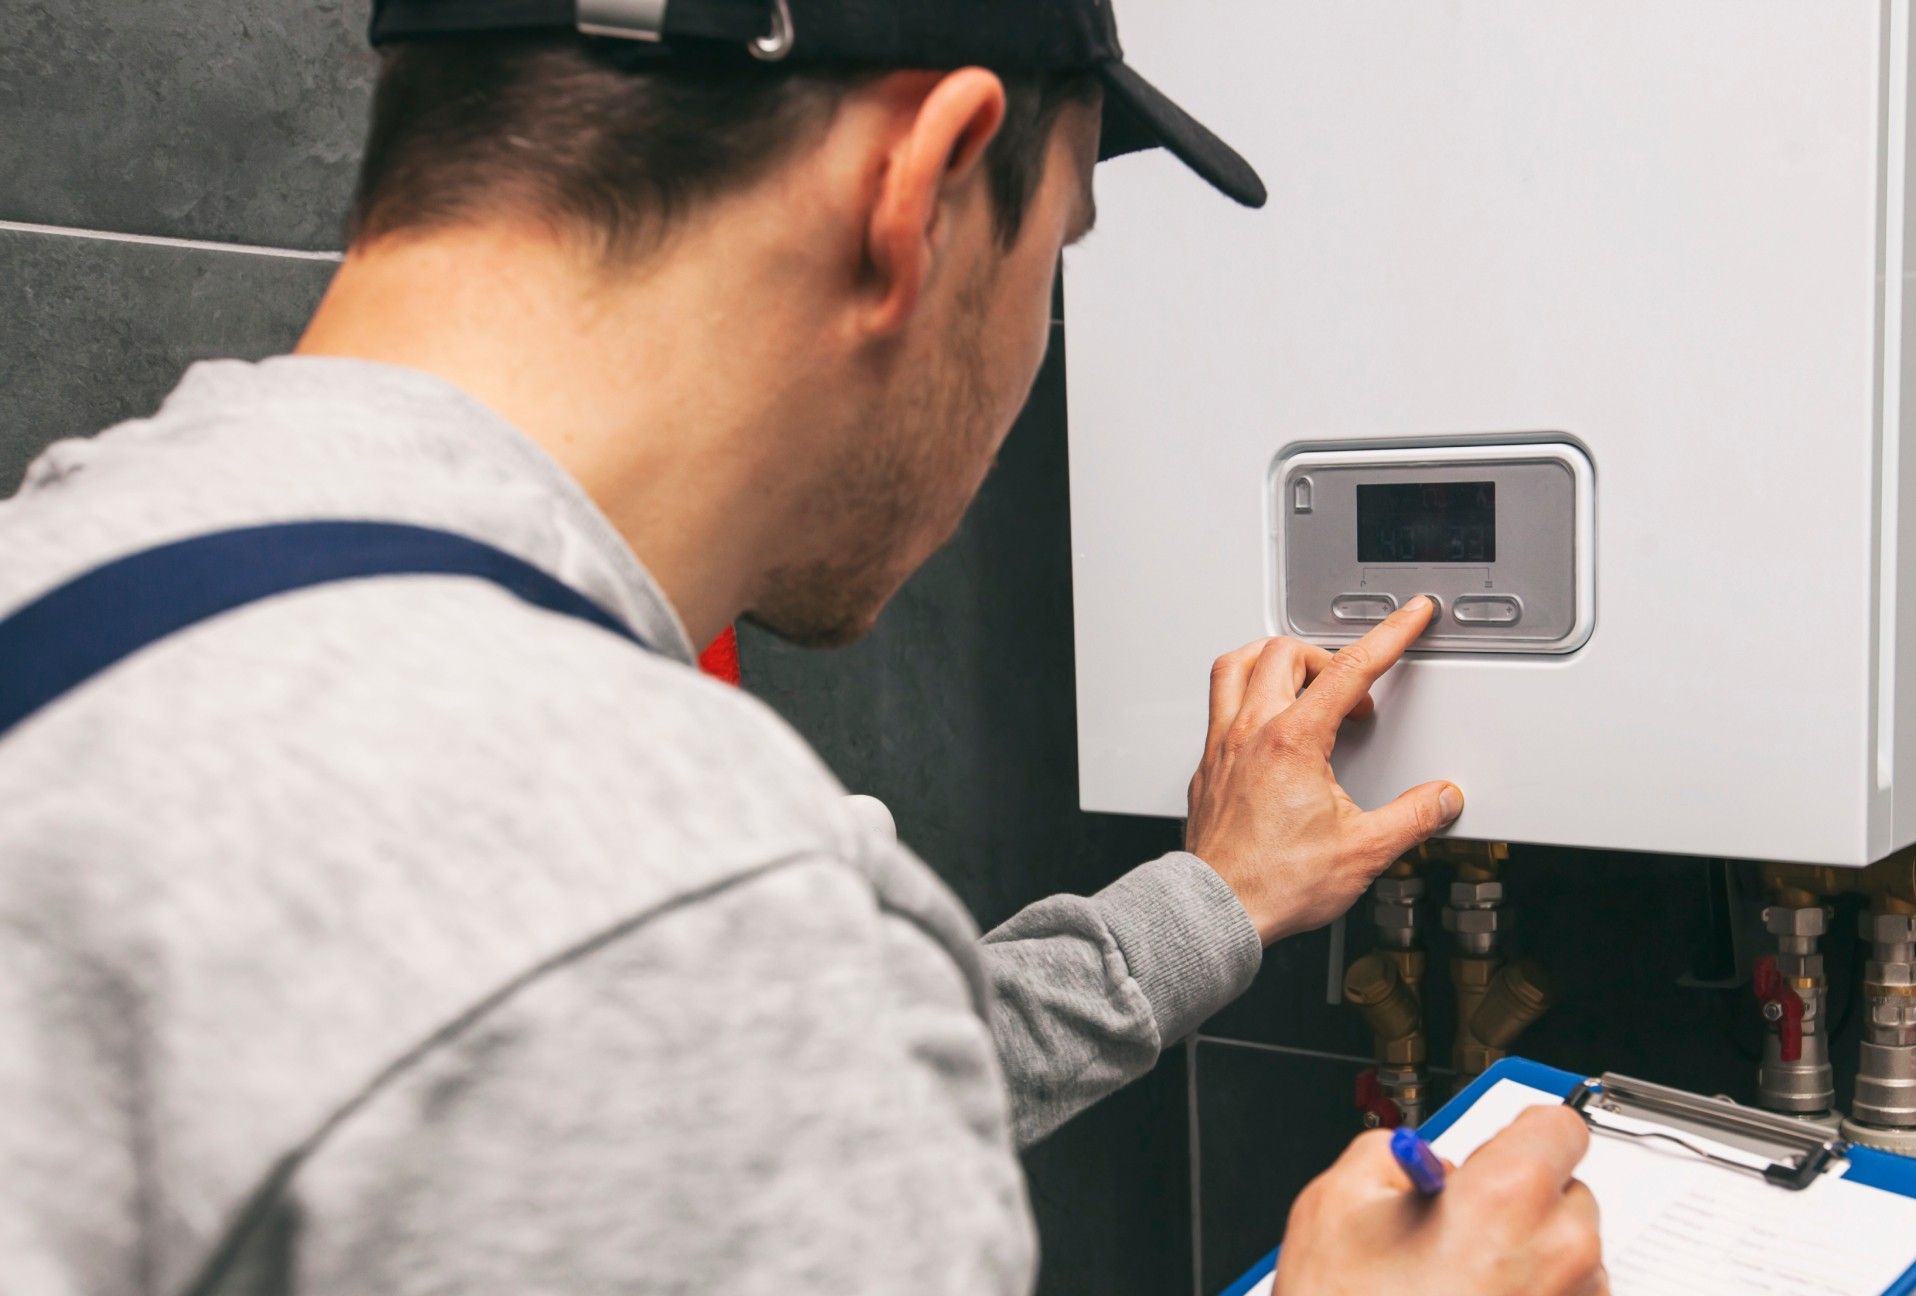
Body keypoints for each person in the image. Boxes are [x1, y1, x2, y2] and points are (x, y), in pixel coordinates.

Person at [0, 2, 1604, 1293]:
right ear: (925, 187)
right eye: (1057, 242)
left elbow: (688, 1091)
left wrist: (1214, 899)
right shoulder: (689, 913)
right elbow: (694, 1010)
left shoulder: (79, 562)